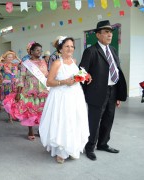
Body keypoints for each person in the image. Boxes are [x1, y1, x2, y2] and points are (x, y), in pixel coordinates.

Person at [79, 20, 127, 161]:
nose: (109, 35)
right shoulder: (91, 51)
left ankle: (103, 143)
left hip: (112, 91)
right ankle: (89, 147)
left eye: (110, 32)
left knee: (108, 119)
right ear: (98, 35)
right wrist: (84, 93)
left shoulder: (112, 50)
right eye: (106, 32)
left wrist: (118, 94)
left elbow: (117, 70)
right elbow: (82, 72)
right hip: (96, 92)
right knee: (94, 121)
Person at [39, 36, 90, 164]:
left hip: (75, 95)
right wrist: (64, 82)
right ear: (60, 49)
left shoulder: (74, 61)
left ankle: (72, 148)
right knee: (63, 121)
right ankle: (61, 151)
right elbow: (49, 82)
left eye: (72, 46)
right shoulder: (57, 63)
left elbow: (77, 76)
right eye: (67, 46)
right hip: (61, 97)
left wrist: (85, 77)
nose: (70, 48)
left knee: (74, 120)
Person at [3, 42, 49, 141]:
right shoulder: (25, 64)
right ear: (31, 51)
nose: (39, 52)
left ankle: (40, 130)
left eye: (40, 50)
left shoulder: (43, 62)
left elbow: (46, 75)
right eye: (37, 50)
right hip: (29, 90)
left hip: (42, 90)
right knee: (30, 111)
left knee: (41, 111)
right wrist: (19, 93)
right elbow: (21, 78)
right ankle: (30, 130)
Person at [0, 51, 20, 123]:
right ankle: (10, 118)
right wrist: (1, 58)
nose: (10, 58)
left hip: (15, 85)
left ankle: (14, 115)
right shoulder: (3, 65)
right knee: (8, 101)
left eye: (12, 57)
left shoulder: (15, 64)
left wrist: (17, 58)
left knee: (15, 100)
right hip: (7, 85)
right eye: (9, 57)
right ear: (5, 58)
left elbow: (23, 64)